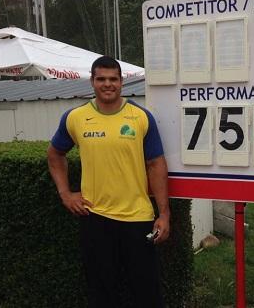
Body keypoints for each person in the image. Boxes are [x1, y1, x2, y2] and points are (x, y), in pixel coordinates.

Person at [47, 56, 170, 308]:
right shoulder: (75, 117)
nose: (107, 84)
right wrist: (65, 194)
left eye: (113, 79)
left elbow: (155, 164)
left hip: (138, 218)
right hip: (96, 218)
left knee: (147, 294)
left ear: (121, 82)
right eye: (101, 79)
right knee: (102, 295)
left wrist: (164, 213)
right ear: (92, 81)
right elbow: (55, 154)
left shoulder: (141, 117)